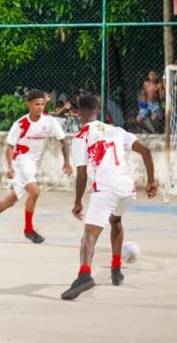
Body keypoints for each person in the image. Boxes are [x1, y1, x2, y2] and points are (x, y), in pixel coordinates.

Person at [61, 95, 157, 300]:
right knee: (116, 220)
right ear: (98, 110)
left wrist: (77, 202)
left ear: (79, 113)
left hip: (106, 190)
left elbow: (82, 174)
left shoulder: (81, 137)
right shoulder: (116, 130)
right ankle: (116, 270)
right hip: (127, 189)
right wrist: (151, 182)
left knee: (89, 235)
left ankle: (84, 275)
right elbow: (146, 151)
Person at [0, 89, 72, 244]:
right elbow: (10, 147)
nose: (40, 107)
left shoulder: (50, 121)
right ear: (28, 105)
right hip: (21, 162)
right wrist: (10, 167)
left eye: (43, 104)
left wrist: (67, 162)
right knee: (35, 191)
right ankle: (28, 229)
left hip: (33, 164)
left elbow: (63, 141)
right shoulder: (20, 124)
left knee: (9, 201)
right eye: (37, 104)